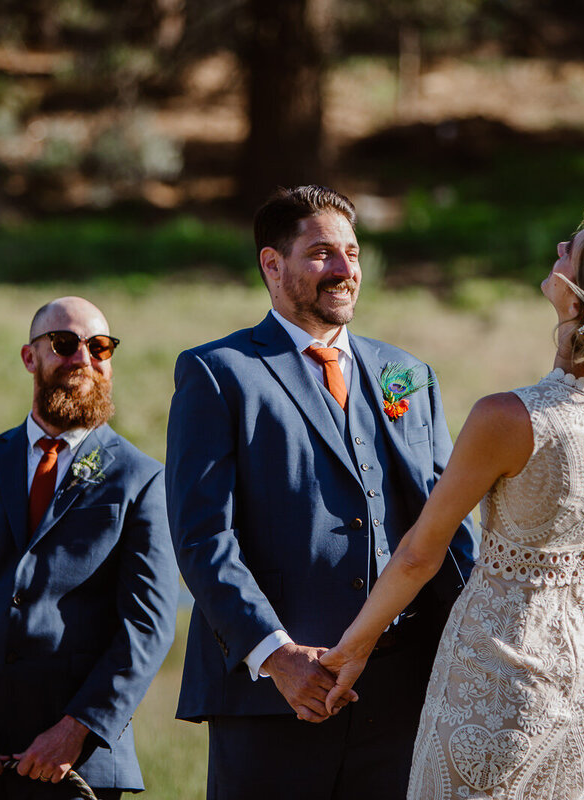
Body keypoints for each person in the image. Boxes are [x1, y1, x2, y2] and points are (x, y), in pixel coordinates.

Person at [320, 205, 584, 800]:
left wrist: (353, 647)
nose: (561, 243)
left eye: (576, 247)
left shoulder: (509, 417)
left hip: (498, 685)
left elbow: (419, 552)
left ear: (578, 292)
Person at [164, 185, 478, 800]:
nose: (345, 270)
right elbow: (204, 536)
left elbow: (447, 525)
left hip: (400, 695)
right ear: (271, 264)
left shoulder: (407, 374)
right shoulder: (219, 372)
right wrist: (278, 656)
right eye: (322, 253)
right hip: (273, 697)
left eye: (353, 253)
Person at [0, 297, 178, 800]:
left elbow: (148, 626)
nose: (83, 357)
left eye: (100, 346)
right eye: (64, 343)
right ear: (29, 357)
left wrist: (75, 730)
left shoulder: (141, 479)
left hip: (76, 762)